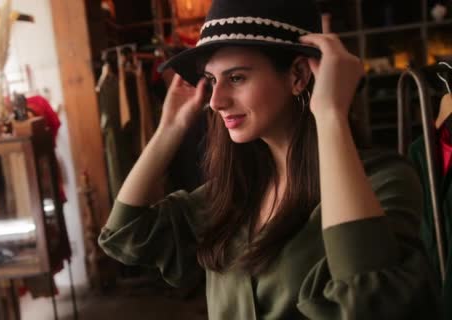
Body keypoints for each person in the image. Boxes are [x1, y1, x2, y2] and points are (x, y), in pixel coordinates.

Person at [98, 0, 440, 318]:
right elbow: (125, 234)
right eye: (211, 80)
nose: (215, 101)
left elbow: (368, 301)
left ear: (298, 76)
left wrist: (331, 114)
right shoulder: (232, 195)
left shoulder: (383, 182)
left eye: (236, 78)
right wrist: (170, 128)